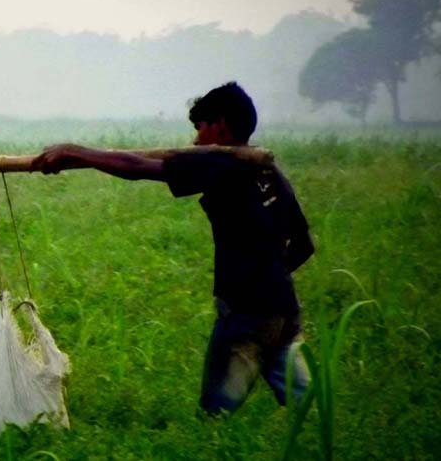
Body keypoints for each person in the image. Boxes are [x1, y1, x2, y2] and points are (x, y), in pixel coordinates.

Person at [31, 82, 314, 416]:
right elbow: (304, 245)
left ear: (220, 126)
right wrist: (271, 275)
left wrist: (74, 151)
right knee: (309, 407)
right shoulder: (267, 170)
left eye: (200, 128)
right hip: (284, 310)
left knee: (216, 415)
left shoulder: (219, 162)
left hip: (247, 314)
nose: (195, 141)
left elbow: (136, 167)